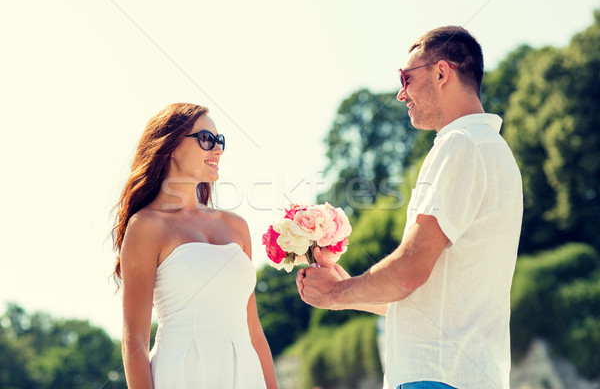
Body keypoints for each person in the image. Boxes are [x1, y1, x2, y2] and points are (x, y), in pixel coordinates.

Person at [296, 26, 523, 389]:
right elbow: (421, 303)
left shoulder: (459, 144)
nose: (402, 93)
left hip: (435, 378)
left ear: (441, 72)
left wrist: (337, 293)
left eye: (406, 78)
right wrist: (343, 291)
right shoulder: (493, 151)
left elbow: (409, 273)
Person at [111, 103, 278, 389]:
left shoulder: (236, 226)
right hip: (181, 375)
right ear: (172, 146)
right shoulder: (146, 226)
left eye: (220, 140)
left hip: (245, 374)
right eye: (206, 139)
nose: (218, 149)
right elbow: (134, 338)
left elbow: (252, 328)